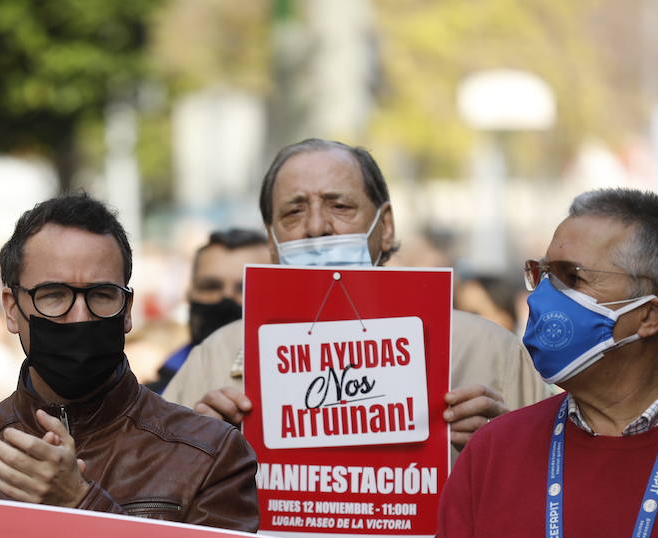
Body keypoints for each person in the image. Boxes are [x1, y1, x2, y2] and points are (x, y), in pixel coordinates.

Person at [163, 138, 552, 460]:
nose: (317, 228)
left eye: (340, 206)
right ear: (271, 241)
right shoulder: (214, 358)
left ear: (385, 228)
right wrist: (199, 447)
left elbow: (555, 479)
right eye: (294, 212)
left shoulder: (488, 352)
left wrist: (505, 444)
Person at [0, 193, 259, 531]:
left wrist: (79, 503)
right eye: (54, 295)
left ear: (127, 312)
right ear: (12, 309)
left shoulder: (209, 455)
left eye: (101, 295)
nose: (79, 317)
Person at [412, 188, 658, 538]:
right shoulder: (494, 449)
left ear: (648, 317)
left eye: (572, 278)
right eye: (543, 274)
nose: (540, 299)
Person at [150, 228, 269, 394]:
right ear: (190, 293)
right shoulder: (155, 398)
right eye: (211, 286)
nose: (226, 297)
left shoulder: (297, 387)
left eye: (245, 287)